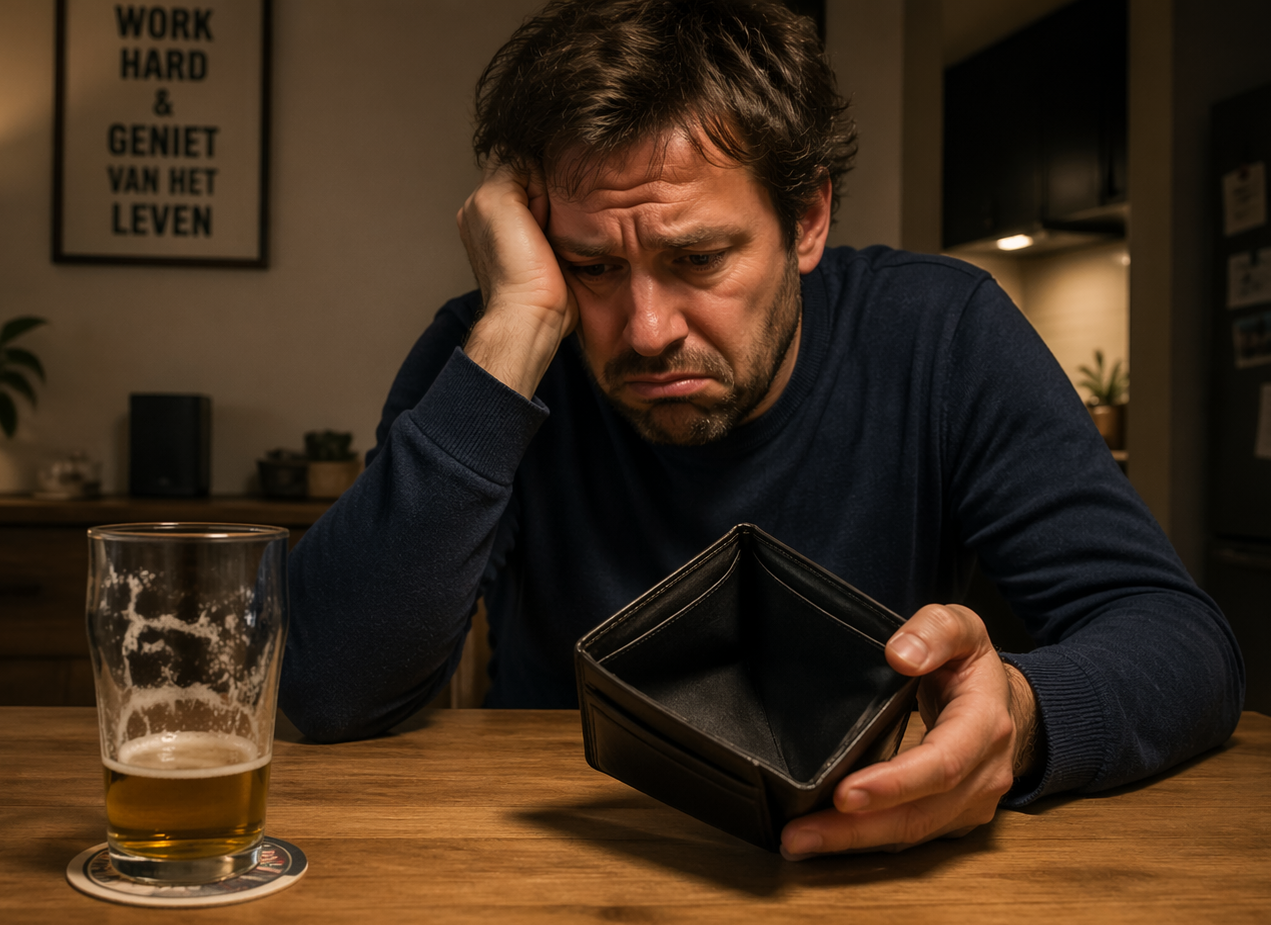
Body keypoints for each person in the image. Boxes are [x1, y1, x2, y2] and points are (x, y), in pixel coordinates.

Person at [279, 0, 1243, 859]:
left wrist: (1020, 719)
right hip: (559, 852)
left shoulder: (940, 333)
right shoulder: (495, 345)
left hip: (869, 859)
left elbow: (1181, 641)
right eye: (593, 267)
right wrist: (516, 328)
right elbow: (318, 688)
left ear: (807, 218)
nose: (646, 330)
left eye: (698, 257)